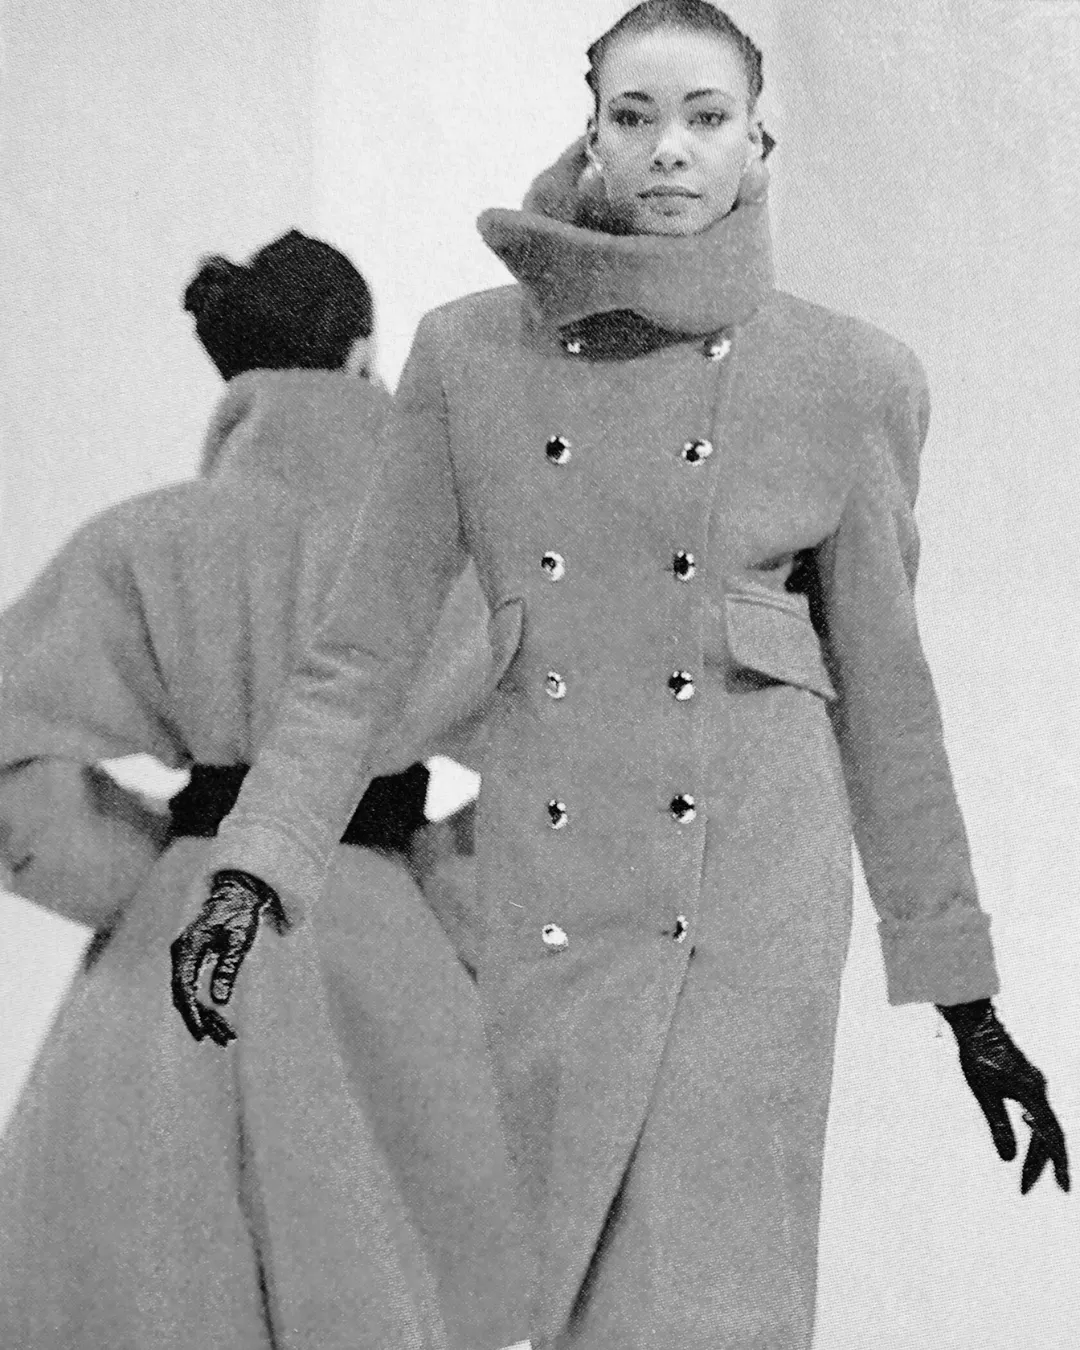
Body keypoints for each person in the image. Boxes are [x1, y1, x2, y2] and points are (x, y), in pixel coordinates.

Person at [170, 7, 1069, 1349]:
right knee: (552, 1293)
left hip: (751, 895)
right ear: (591, 136)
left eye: (707, 117)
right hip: (554, 885)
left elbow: (889, 707)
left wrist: (964, 994)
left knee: (712, 1297)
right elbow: (361, 653)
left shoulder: (850, 376)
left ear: (759, 143)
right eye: (635, 117)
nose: (670, 149)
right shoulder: (468, 356)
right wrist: (254, 866)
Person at [0, 230, 528, 1350]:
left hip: (179, 953)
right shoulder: (463, 555)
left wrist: (143, 877)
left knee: (155, 1279)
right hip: (387, 956)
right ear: (365, 354)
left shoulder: (148, 542)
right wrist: (446, 890)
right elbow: (592, 770)